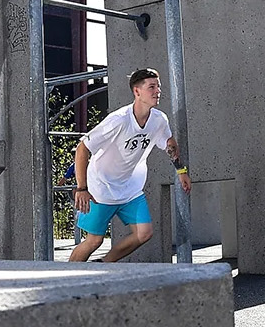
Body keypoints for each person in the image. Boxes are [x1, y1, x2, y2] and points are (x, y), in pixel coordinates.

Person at [69, 67, 190, 263]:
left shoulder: (159, 120)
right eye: (151, 87)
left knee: (144, 233)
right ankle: (65, 278)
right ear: (137, 92)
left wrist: (181, 171)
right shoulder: (118, 120)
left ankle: (104, 265)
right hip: (101, 189)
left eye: (158, 86)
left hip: (130, 189)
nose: (157, 91)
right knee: (94, 241)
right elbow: (83, 148)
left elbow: (169, 143)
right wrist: (82, 188)